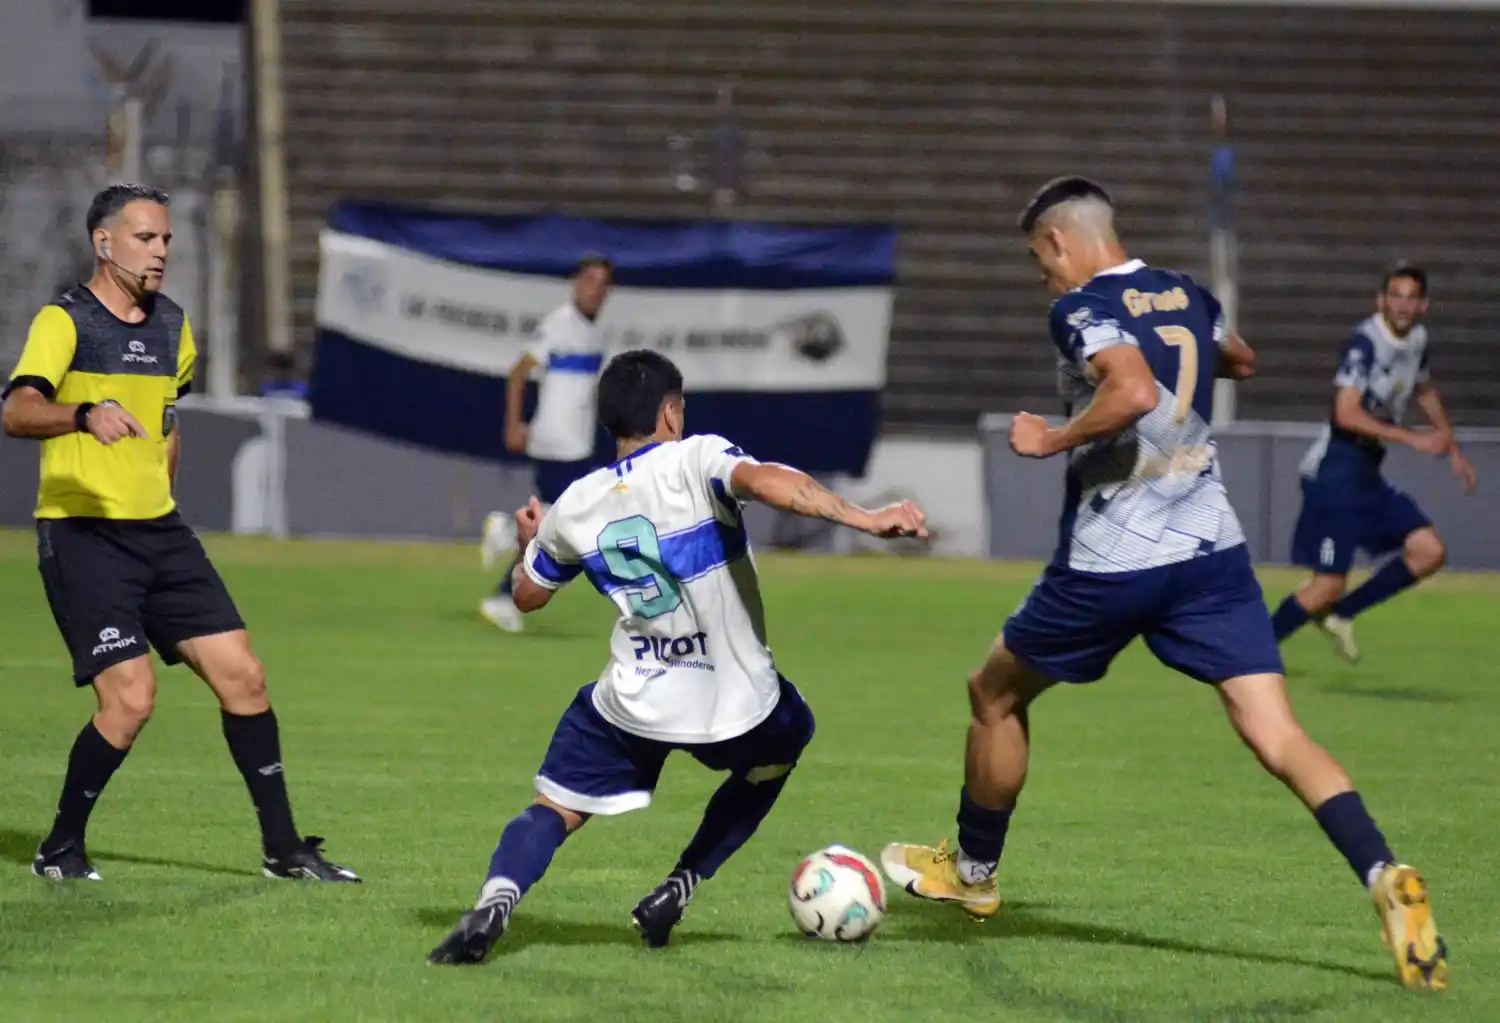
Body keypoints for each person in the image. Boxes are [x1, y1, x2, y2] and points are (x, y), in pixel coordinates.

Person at [878, 178, 1447, 991]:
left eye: (1039, 260)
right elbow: (1240, 357)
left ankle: (972, 871)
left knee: (993, 693)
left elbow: (1133, 389)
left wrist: (1052, 438)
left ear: (1061, 242)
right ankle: (1384, 872)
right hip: (1211, 553)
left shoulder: (1080, 307)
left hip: (1113, 559)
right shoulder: (1185, 291)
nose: (1043, 277)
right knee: (1277, 732)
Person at [428, 349, 928, 965]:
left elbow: (528, 596)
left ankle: (494, 903)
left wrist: (532, 543)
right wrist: (863, 518)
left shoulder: (575, 504)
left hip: (635, 699)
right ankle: (682, 883)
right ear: (671, 413)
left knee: (554, 808)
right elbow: (768, 482)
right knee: (785, 741)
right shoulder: (698, 458)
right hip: (734, 701)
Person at [1, 183, 359, 884]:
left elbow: (167, 421)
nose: (161, 250)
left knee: (244, 677)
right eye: (145, 238)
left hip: (160, 533)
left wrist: (160, 485)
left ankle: (284, 850)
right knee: (131, 699)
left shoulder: (173, 327)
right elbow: (17, 410)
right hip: (83, 534)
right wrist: (82, 415)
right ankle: (60, 848)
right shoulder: (64, 321)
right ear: (104, 242)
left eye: (166, 238)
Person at [1269, 266, 1476, 662]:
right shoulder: (1365, 343)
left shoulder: (1417, 340)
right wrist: (1413, 438)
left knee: (1428, 551)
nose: (1402, 305)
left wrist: (1450, 443)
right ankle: (1251, 654)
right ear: (1380, 301)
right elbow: (1345, 413)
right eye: (1395, 296)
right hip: (1334, 472)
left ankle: (1342, 614)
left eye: (1410, 297)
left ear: (1423, 304)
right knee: (1326, 587)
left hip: (1365, 473)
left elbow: (1422, 386)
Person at [479, 254, 613, 633]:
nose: (595, 290)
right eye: (590, 280)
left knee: (557, 523)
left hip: (577, 442)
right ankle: (503, 579)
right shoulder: (559, 323)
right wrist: (514, 425)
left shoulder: (594, 332)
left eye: (603, 284)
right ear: (576, 283)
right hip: (556, 440)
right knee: (560, 524)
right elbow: (518, 374)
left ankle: (505, 538)